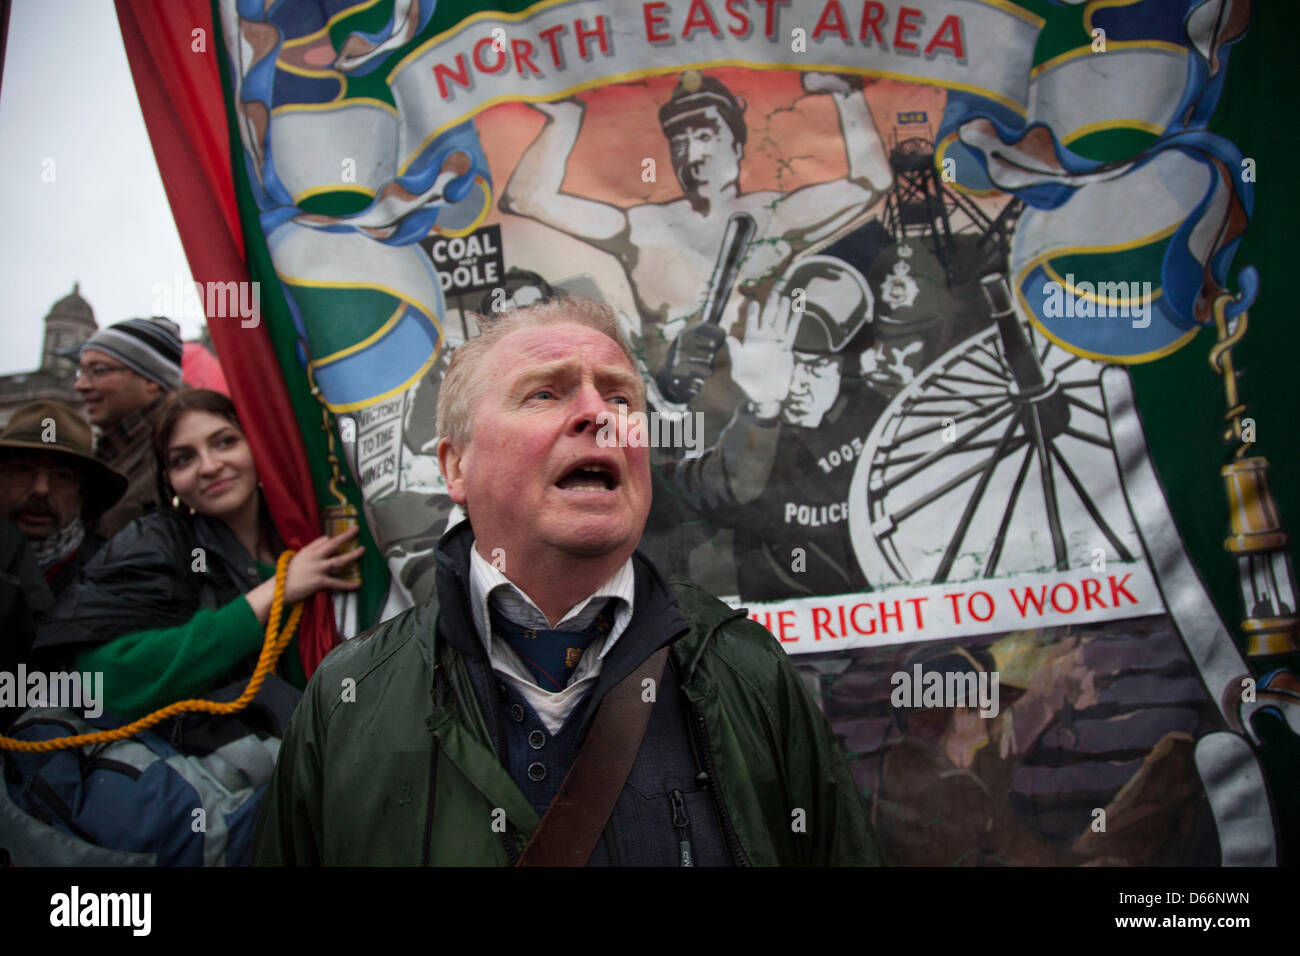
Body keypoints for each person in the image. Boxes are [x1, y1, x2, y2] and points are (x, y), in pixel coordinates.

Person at [253, 297, 880, 866]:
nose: (597, 415)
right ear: (455, 465)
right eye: (544, 395)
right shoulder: (348, 699)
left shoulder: (747, 671)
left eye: (620, 398)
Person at [501, 70, 892, 386]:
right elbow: (526, 198)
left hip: (757, 410)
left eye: (706, 135)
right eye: (679, 140)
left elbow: (872, 181)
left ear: (736, 147)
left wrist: (846, 95)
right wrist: (565, 119)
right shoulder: (642, 227)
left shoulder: (777, 214)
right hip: (671, 423)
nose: (692, 152)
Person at [35, 388, 363, 722]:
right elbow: (102, 680)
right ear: (168, 480)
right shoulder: (153, 543)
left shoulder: (308, 530)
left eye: (225, 442)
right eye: (183, 459)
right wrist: (270, 596)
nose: (209, 466)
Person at [663, 261, 889, 601]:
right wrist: (763, 408)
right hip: (781, 637)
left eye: (816, 367)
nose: (795, 385)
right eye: (789, 363)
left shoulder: (881, 417)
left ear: (852, 368)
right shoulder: (752, 421)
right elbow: (700, 494)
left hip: (883, 626)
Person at [0, 401, 127, 601]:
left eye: (62, 477)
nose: (40, 489)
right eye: (23, 470)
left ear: (83, 492)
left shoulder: (113, 576)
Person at [74, 317, 184, 538]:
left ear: (152, 380)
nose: (80, 385)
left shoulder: (180, 448)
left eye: (99, 371)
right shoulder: (106, 447)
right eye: (81, 372)